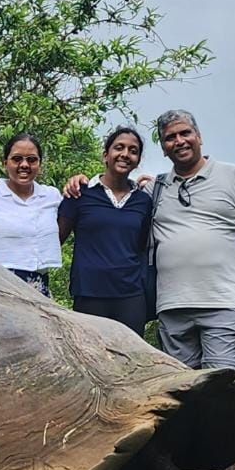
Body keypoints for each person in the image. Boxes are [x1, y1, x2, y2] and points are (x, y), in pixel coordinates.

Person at [144, 110, 235, 370]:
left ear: (198, 137)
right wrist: (83, 181)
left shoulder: (234, 176)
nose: (179, 141)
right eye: (170, 138)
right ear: (163, 148)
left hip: (222, 303)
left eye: (185, 133)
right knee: (182, 394)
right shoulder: (156, 187)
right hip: (172, 306)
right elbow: (116, 192)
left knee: (223, 389)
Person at [56, 126, 152, 334]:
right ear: (105, 155)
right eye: (119, 148)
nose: (125, 154)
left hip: (131, 296)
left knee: (132, 360)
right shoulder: (80, 194)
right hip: (89, 294)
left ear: (137, 160)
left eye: (133, 150)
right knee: (89, 360)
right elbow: (56, 239)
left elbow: (142, 246)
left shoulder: (143, 200)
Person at [0, 133, 62, 295]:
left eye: (31, 159)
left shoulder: (52, 196)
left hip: (37, 287)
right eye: (17, 159)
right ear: (4, 163)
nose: (24, 165)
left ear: (39, 164)